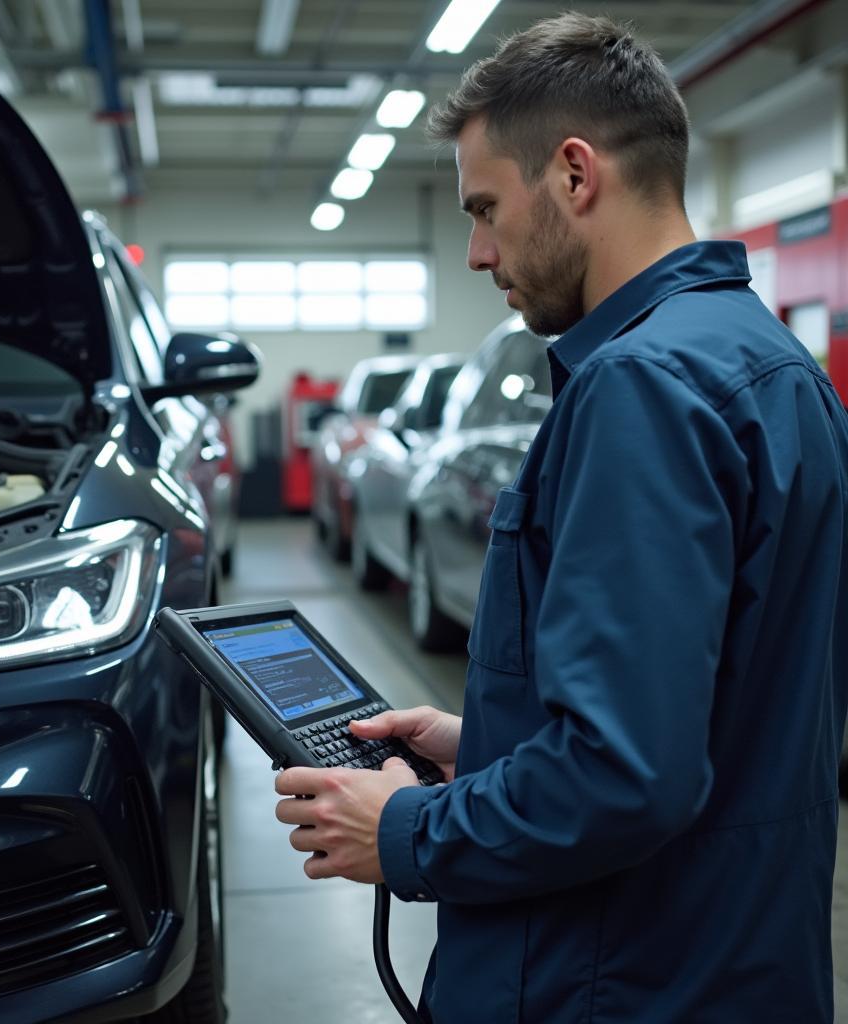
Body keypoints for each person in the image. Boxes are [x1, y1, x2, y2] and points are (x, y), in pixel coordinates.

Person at [275, 12, 848, 1022]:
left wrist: (407, 829)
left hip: (619, 978)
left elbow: (625, 775)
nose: (475, 252)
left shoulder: (642, 386)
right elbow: (720, 700)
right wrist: (489, 736)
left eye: (486, 208)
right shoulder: (770, 365)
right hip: (737, 960)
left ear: (575, 176)